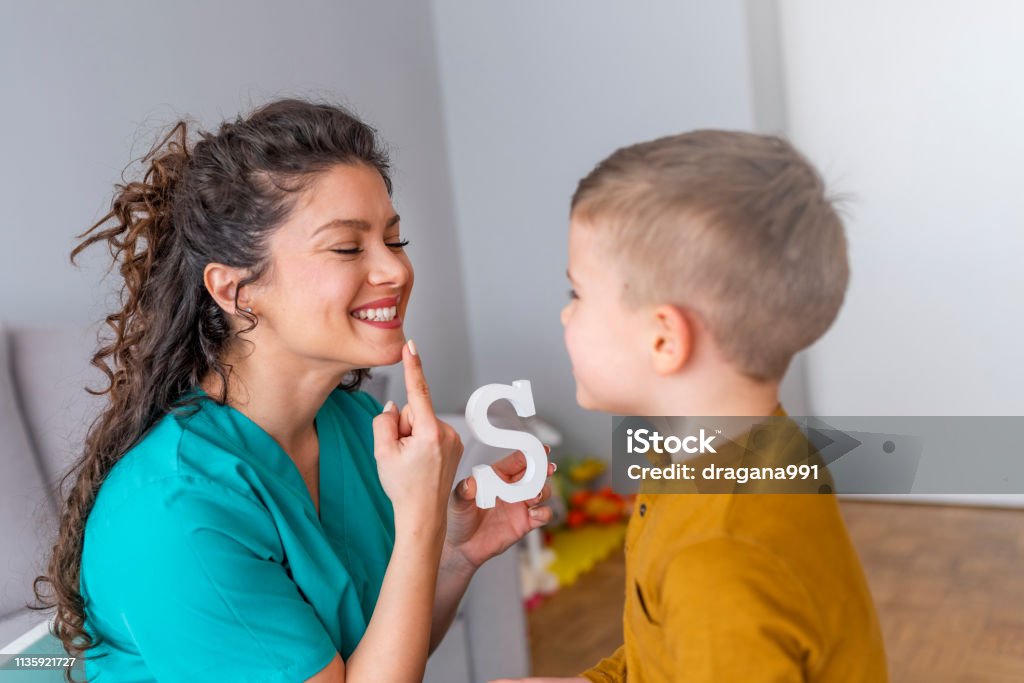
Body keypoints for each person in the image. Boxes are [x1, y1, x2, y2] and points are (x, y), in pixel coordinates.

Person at [31, 98, 554, 683]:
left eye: (395, 239)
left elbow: (376, 660)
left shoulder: (354, 425)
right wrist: (419, 522)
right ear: (235, 290)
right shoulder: (178, 509)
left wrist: (454, 555)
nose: (396, 271)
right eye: (348, 247)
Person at [494, 131, 887, 682]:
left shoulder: (720, 559)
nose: (565, 316)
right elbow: (669, 654)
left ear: (664, 339)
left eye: (576, 295)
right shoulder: (736, 456)